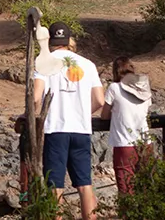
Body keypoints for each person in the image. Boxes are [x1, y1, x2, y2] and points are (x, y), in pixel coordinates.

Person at [32, 22, 105, 220]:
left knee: (55, 185)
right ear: (69, 40)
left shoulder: (43, 62)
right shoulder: (88, 64)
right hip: (81, 129)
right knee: (84, 184)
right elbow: (100, 100)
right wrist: (82, 111)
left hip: (55, 129)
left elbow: (36, 97)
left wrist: (33, 117)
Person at [102, 57, 153, 195]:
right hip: (145, 142)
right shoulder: (144, 89)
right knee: (147, 187)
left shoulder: (114, 88)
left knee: (126, 188)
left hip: (124, 143)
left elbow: (104, 115)